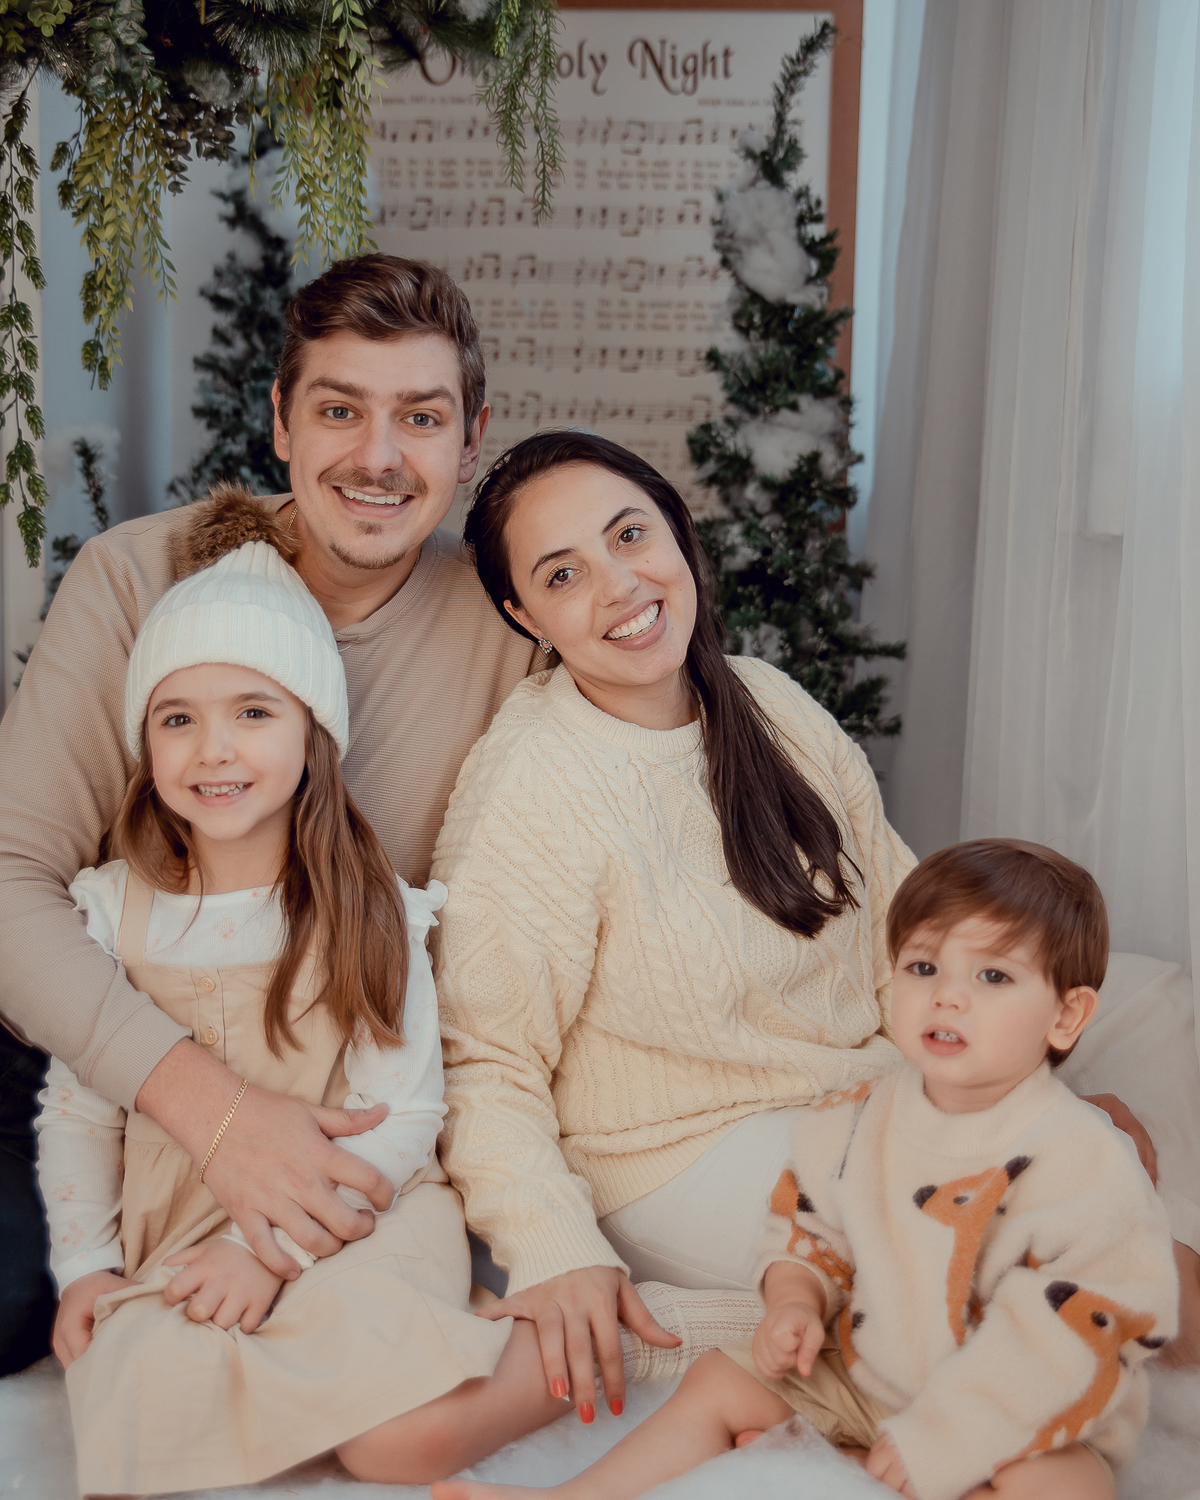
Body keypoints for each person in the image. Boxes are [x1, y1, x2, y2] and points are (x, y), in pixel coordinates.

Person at [427, 430, 1198, 1429]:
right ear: (521, 613)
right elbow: (483, 1059)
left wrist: (1033, 1088)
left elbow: (905, 930)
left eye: (631, 535)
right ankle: (730, 1336)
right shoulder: (532, 788)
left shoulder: (767, 703)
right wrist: (552, 1244)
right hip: (679, 1150)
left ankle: (762, 1322)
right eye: (564, 573)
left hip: (861, 1094)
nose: (619, 585)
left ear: (678, 535)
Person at [0, 254, 572, 1376]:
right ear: (279, 421)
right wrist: (207, 1108)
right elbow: (11, 880)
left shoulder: (510, 636)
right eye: (339, 409)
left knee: (349, 1341)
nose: (377, 456)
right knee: (19, 1303)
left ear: (470, 440)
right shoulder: (134, 579)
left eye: (420, 417)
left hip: (341, 1070)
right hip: (96, 1058)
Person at [431, 840, 1179, 1500]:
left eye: (993, 978)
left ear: (1066, 1018)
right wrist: (793, 1299)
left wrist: (950, 1442)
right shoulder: (862, 1114)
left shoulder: (1082, 1160)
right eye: (924, 966)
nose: (947, 994)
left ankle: (875, 1469)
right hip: (871, 1379)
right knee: (720, 1381)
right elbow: (806, 1223)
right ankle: (577, 1497)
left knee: (1066, 1487)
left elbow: (1070, 1338)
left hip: (1014, 1414)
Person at [33, 493, 524, 1493]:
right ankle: (371, 1359)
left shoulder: (365, 901)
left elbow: (407, 1115)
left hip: (359, 1217)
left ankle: (560, 1343)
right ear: (146, 742)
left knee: (395, 1444)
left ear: (313, 734)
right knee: (127, 1389)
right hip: (186, 1231)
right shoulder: (112, 910)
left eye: (253, 713)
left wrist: (275, 1257)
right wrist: (87, 1264)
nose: (214, 750)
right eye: (179, 719)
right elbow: (81, 1108)